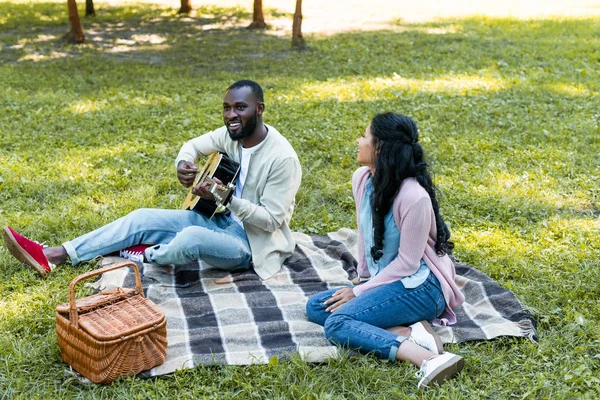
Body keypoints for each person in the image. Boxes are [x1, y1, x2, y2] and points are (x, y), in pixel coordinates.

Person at [3, 80, 302, 281]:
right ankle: (54, 255)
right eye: (227, 107)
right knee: (141, 217)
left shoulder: (282, 158)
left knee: (191, 239)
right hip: (221, 221)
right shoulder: (231, 134)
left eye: (240, 108)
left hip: (252, 246)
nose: (230, 115)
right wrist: (183, 164)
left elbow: (271, 221)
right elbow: (192, 146)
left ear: (259, 109)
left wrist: (225, 198)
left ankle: (144, 253)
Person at [305, 112, 465, 389]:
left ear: (379, 147)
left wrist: (357, 293)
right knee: (318, 307)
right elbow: (365, 234)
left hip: (424, 287)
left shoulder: (414, 197)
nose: (359, 140)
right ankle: (410, 331)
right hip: (392, 281)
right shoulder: (361, 179)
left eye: (365, 136)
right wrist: (365, 279)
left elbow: (407, 264)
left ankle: (428, 359)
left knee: (337, 324)